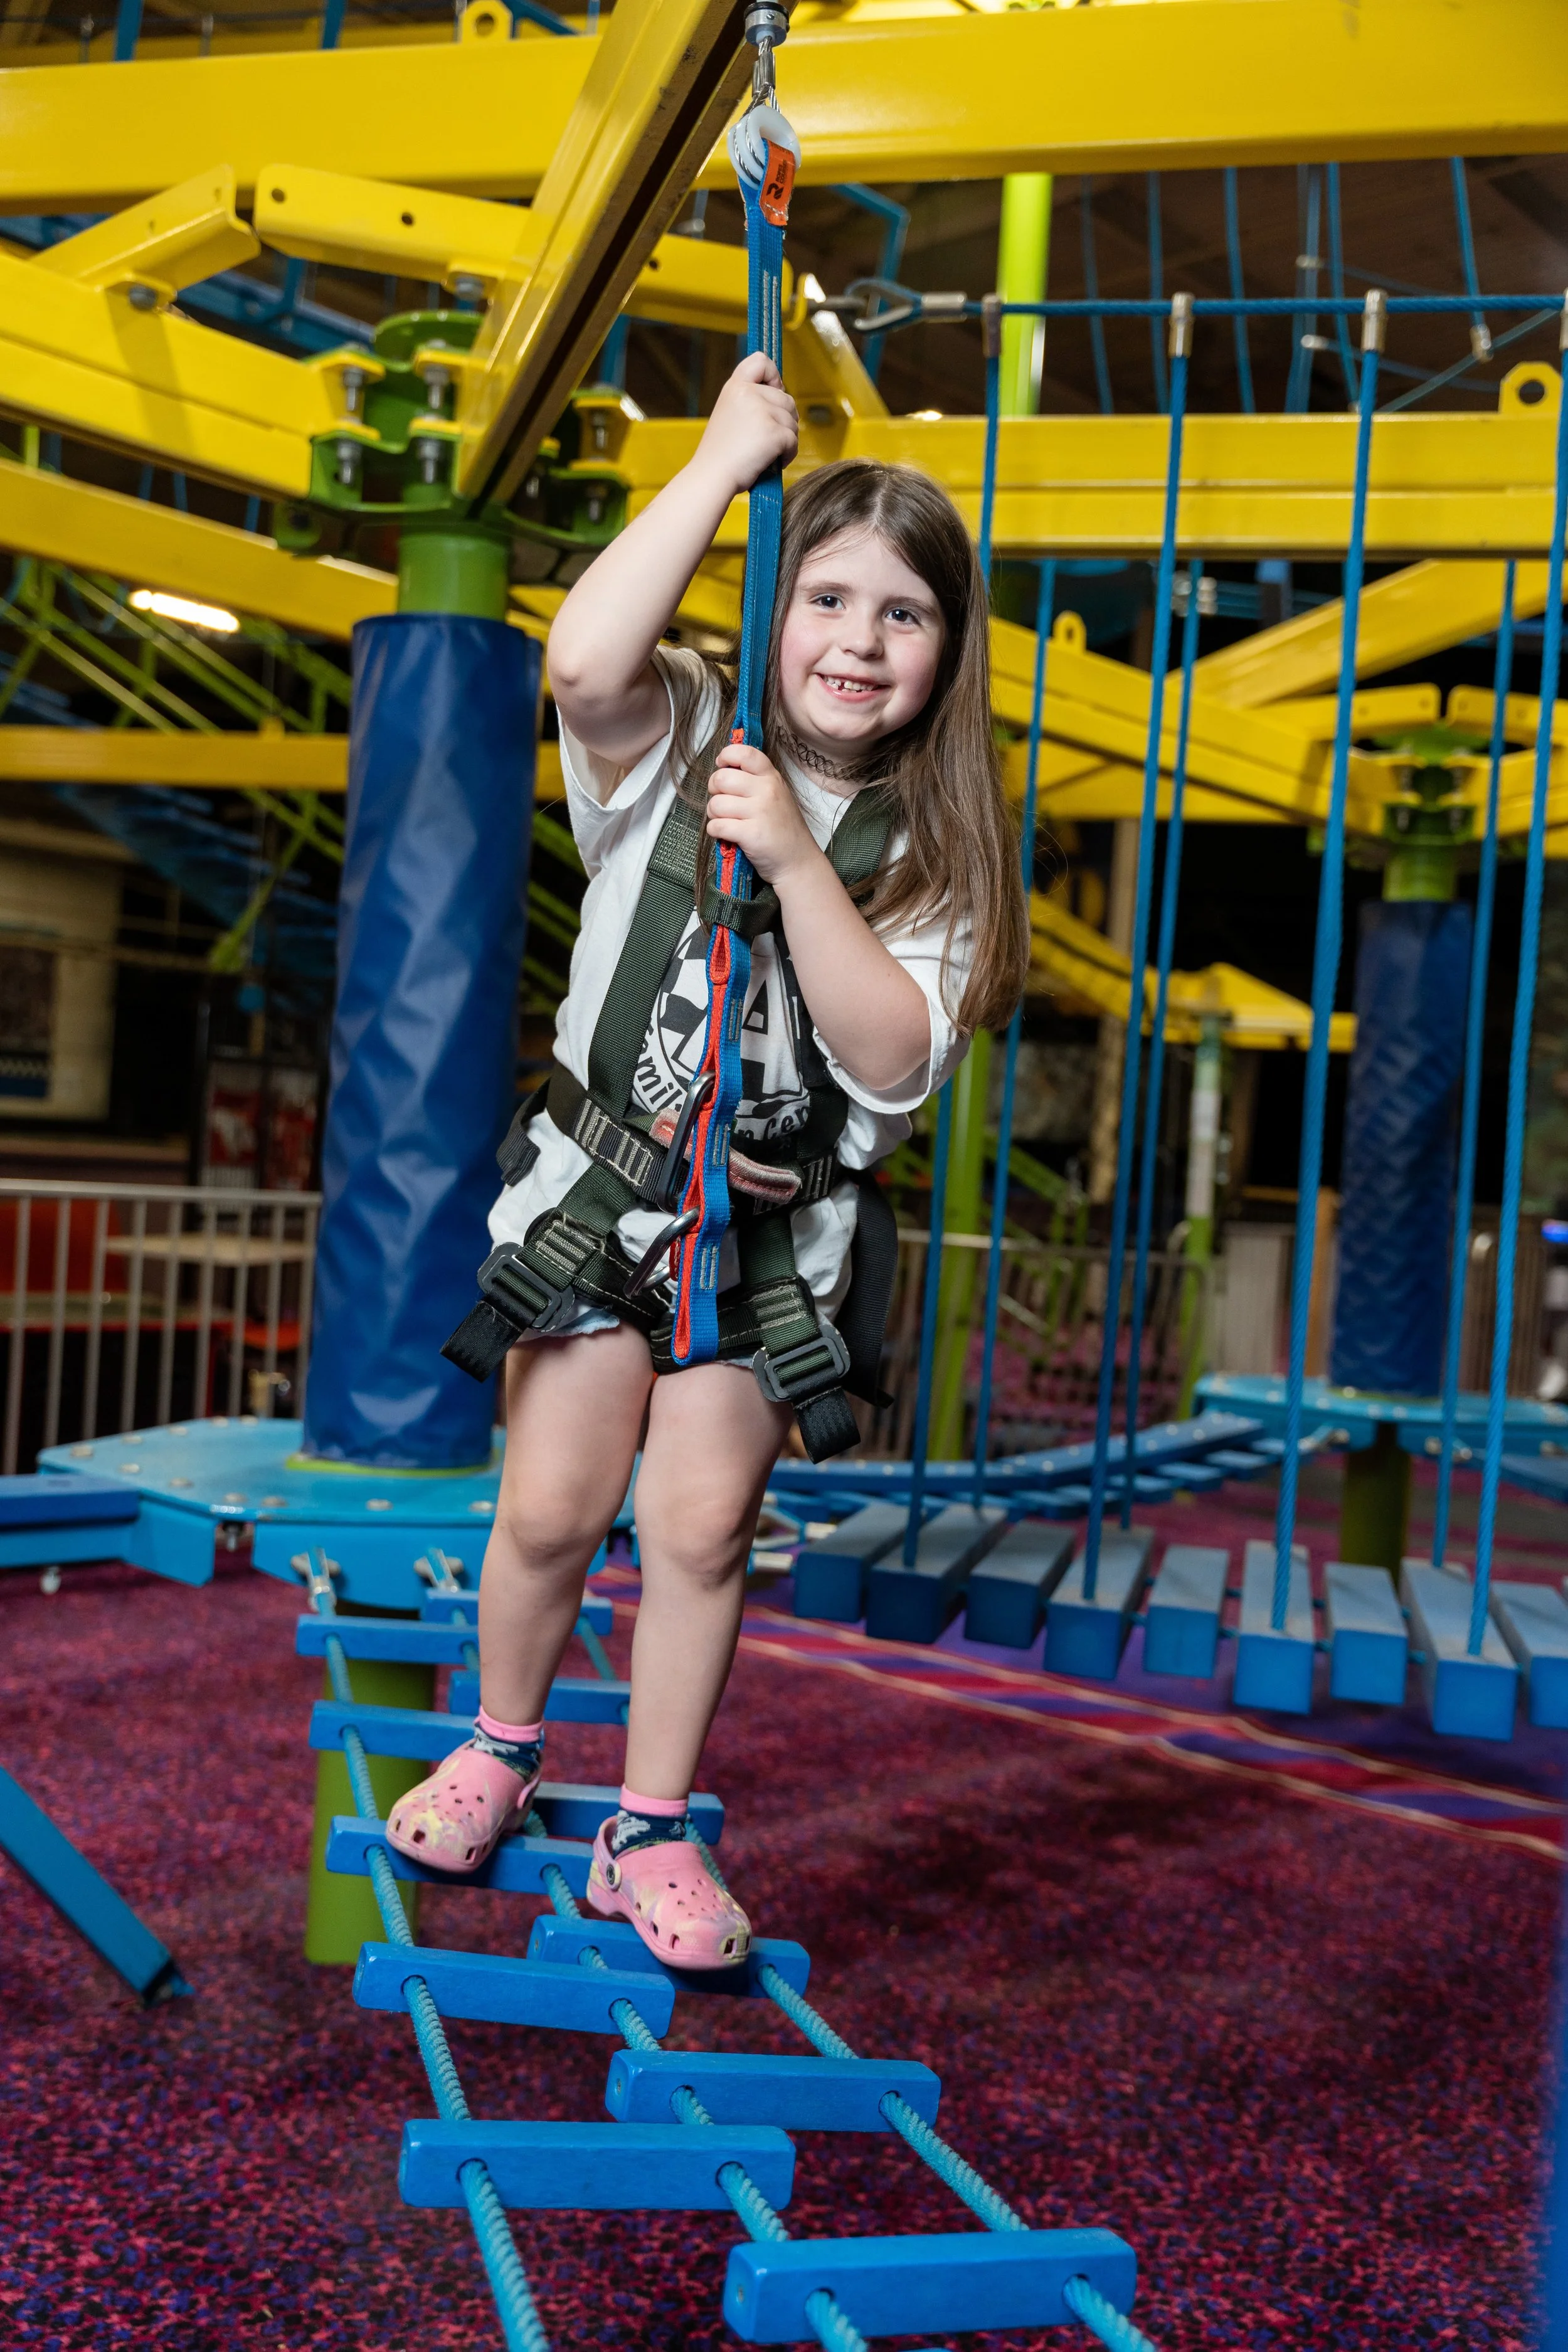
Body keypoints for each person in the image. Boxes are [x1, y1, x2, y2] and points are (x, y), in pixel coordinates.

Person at [386, 352, 1029, 1967]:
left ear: (944, 654)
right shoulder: (683, 729)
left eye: (903, 615)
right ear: (775, 613)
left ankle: (650, 1827)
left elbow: (889, 1054)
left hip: (760, 1251)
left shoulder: (938, 857)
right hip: (601, 1204)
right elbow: (582, 654)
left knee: (694, 1532)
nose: (857, 643)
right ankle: (505, 1741)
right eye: (825, 599)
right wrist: (717, 461)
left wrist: (799, 856)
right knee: (545, 1512)